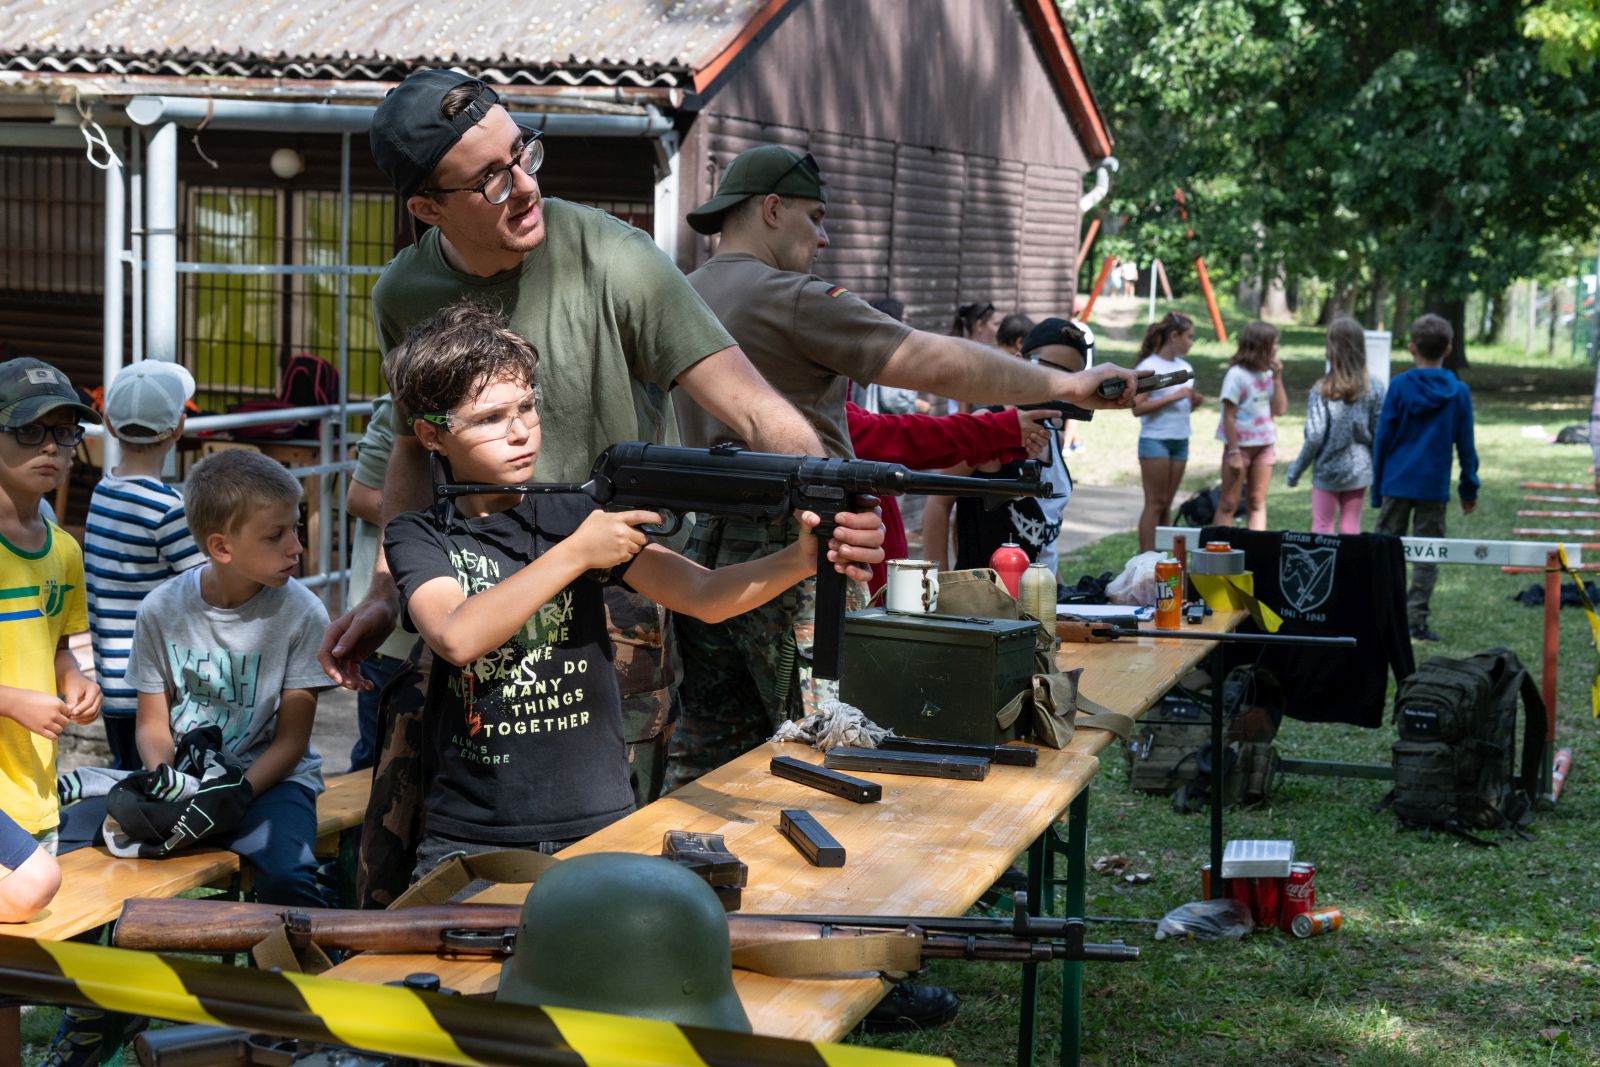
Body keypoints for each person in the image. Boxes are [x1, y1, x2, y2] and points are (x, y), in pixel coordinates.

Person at [321, 69, 876, 692]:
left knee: (614, 783)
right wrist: (384, 593)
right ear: (428, 208)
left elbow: (751, 409)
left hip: (616, 577)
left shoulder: (614, 258)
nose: (526, 186)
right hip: (474, 582)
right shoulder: (403, 292)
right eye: (492, 181)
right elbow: (409, 449)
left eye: (523, 153)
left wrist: (823, 502)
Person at [669, 146, 1138, 788]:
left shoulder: (680, 295)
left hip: (697, 551)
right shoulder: (790, 296)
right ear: (771, 210)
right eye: (815, 216)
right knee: (829, 739)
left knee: (709, 753)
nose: (825, 237)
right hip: (803, 549)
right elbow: (929, 359)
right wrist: (1065, 385)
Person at [381, 302, 837, 873]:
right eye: (492, 418)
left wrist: (801, 559)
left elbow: (704, 596)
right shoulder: (417, 534)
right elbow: (454, 636)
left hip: (599, 822)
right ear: (431, 434)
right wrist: (577, 552)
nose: (521, 431)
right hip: (474, 837)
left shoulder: (576, 512)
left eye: (527, 407)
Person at [126, 449, 331, 905]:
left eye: (294, 528)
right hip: (189, 779)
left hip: (272, 784)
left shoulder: (303, 614)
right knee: (111, 869)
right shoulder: (161, 609)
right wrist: (164, 777)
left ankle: (307, 969)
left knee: (288, 879)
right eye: (276, 535)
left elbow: (291, 743)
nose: (296, 546)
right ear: (221, 547)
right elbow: (152, 723)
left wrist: (236, 794)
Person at [0, 357, 101, 921]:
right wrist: (15, 703)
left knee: (10, 977)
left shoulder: (64, 550)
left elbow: (61, 647)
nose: (52, 447)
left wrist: (76, 681)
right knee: (33, 887)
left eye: (65, 432)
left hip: (34, 786)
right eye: (29, 430)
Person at [84, 361, 205, 770]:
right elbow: (206, 584)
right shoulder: (169, 511)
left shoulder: (103, 492)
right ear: (178, 428)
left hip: (112, 681)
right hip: (154, 693)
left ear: (110, 425)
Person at [848, 401, 1054, 595]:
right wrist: (940, 585)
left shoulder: (835, 406)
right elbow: (897, 438)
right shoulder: (829, 413)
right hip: (977, 594)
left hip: (874, 572)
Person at [951, 318, 1090, 575]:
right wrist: (939, 588)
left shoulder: (1054, 436)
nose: (1059, 386)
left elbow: (1045, 539)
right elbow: (938, 505)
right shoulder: (987, 423)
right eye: (1049, 372)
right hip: (988, 603)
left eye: (1071, 379)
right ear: (1019, 361)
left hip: (1042, 597)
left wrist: (1059, 590)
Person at [1372, 313, 1479, 642]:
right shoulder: (1459, 391)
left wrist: (1377, 489)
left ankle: (1380, 613)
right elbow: (1466, 445)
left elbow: (1383, 439)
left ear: (1411, 347)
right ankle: (1415, 618)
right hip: (1433, 487)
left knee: (1385, 549)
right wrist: (1468, 487)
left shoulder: (1400, 386)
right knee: (1428, 553)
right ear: (1448, 348)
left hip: (1396, 483)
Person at [342, 396, 420, 771]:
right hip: (391, 637)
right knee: (377, 765)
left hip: (457, 631)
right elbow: (358, 496)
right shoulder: (398, 404)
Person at [1286, 317, 1386, 534]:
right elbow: (1380, 434)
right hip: (1359, 470)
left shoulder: (1321, 389)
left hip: (1327, 470)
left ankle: (1324, 569)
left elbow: (1314, 436)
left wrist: (1296, 471)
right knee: (1351, 528)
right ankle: (1349, 569)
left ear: (1330, 348)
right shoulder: (1375, 388)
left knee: (1322, 527)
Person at [1134, 312, 1203, 551]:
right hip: (1155, 441)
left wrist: (1192, 403)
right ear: (1174, 336)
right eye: (1189, 336)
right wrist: (1173, 396)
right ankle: (1145, 560)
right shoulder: (1149, 367)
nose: (1192, 342)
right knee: (1155, 502)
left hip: (1180, 440)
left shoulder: (1185, 367)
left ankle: (1164, 560)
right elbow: (1137, 408)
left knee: (1167, 504)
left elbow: (1179, 408)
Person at [1214, 322, 1288, 531]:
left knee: (1256, 502)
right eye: (1275, 343)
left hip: (1264, 446)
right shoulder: (1236, 375)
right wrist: (1234, 452)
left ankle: (1255, 558)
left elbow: (1280, 410)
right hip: (1239, 447)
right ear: (1261, 345)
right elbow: (1228, 416)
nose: (1277, 348)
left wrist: (1278, 378)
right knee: (1229, 502)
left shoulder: (1268, 374)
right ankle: (1218, 556)